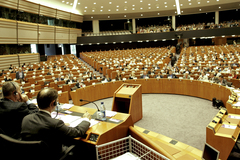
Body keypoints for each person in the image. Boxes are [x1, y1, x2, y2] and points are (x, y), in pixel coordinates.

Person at [21, 88, 91, 159]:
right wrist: (86, 119)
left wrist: (61, 126)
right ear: (53, 103)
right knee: (83, 147)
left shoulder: (26, 118)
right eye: (57, 101)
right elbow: (77, 132)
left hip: (32, 155)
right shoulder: (55, 124)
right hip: (53, 155)